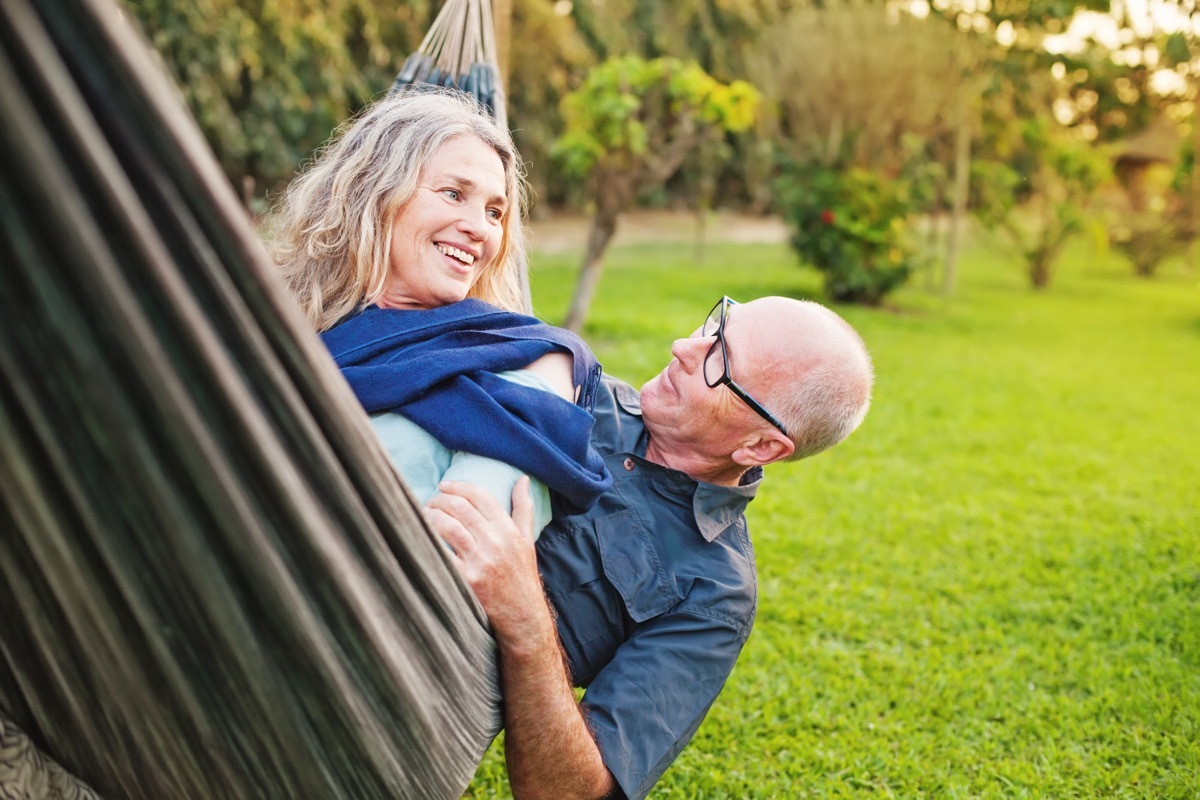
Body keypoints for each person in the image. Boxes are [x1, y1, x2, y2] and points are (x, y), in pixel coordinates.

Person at [426, 294, 874, 800]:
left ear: (760, 448)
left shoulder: (713, 596)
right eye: (715, 325)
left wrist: (526, 616)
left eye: (719, 360)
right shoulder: (572, 384)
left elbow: (572, 794)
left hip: (413, 684)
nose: (684, 346)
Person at [267, 89, 610, 534]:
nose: (479, 229)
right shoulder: (271, 326)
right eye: (453, 193)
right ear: (374, 191)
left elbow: (467, 547)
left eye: (494, 212)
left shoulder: (526, 357)